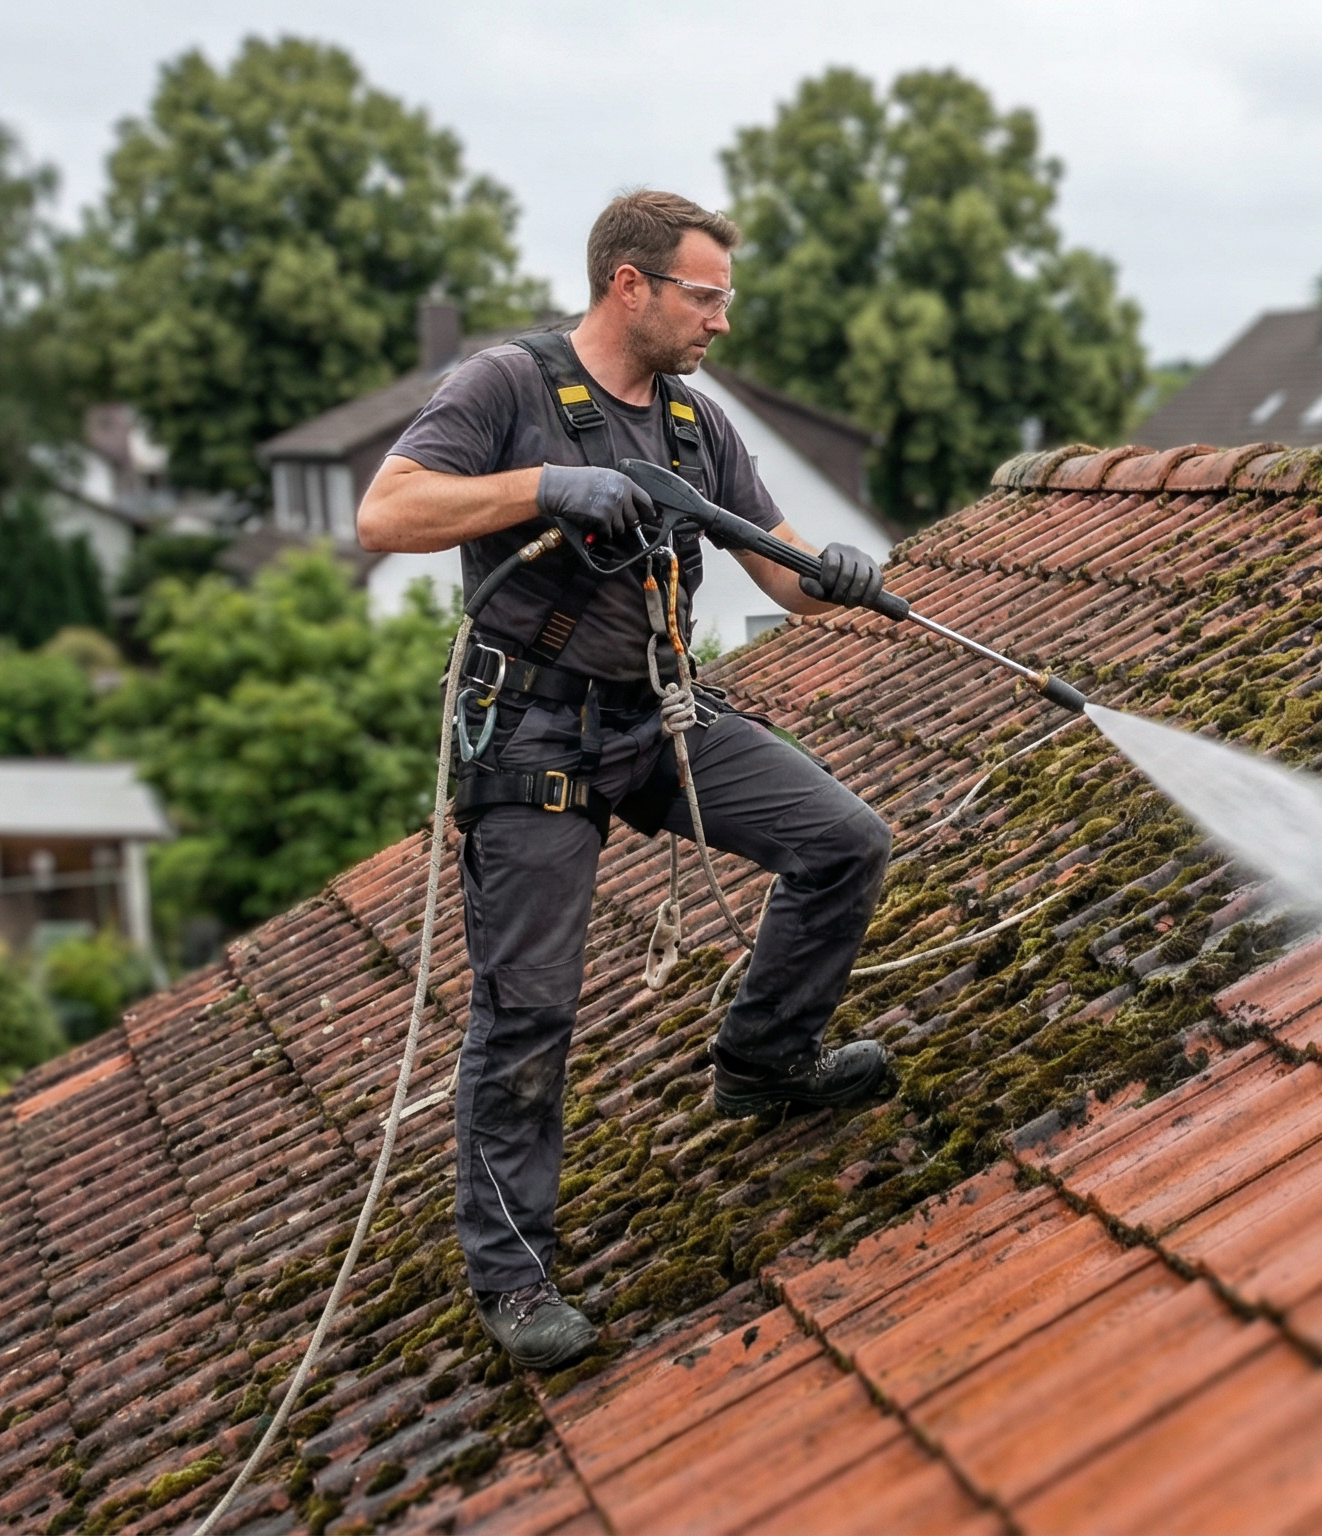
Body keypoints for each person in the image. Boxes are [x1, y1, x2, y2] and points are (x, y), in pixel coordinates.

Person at [358, 190, 896, 1372]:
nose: (720, 322)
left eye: (726, 299)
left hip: (661, 716)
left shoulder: (699, 428)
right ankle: (509, 1275)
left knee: (844, 841)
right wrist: (544, 488)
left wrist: (834, 574)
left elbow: (783, 574)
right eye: (705, 297)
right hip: (533, 736)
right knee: (529, 1007)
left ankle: (763, 1063)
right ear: (631, 285)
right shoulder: (506, 387)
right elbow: (387, 512)